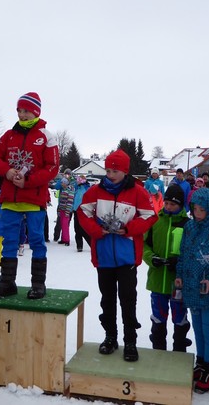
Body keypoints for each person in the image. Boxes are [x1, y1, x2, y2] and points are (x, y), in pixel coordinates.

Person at [78, 149, 158, 362]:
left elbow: (150, 216)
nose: (110, 174)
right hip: (103, 255)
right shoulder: (96, 190)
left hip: (127, 257)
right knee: (107, 299)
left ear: (125, 172)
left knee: (128, 300)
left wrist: (129, 228)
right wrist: (96, 230)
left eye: (114, 171)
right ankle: (110, 337)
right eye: (108, 170)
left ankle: (130, 341)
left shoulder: (138, 192)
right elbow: (83, 212)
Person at [0, 92, 59, 300]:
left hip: (34, 199)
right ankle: (7, 283)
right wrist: (7, 172)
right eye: (19, 110)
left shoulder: (46, 136)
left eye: (26, 110)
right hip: (10, 199)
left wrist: (28, 181)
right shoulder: (9, 135)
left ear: (36, 111)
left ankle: (38, 284)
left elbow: (52, 168)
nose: (22, 114)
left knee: (36, 240)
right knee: (8, 240)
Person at [175, 187, 209, 393]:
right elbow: (184, 254)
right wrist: (180, 275)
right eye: (194, 208)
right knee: (197, 327)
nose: (197, 213)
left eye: (201, 210)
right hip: (191, 286)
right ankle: (200, 361)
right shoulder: (189, 227)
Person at [143, 184, 191, 352]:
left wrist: (179, 262)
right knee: (158, 317)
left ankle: (179, 351)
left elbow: (191, 252)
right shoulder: (155, 221)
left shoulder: (187, 225)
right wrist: (151, 258)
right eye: (167, 203)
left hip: (177, 282)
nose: (169, 207)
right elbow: (143, 246)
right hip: (157, 281)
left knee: (179, 318)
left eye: (174, 204)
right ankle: (158, 351)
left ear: (181, 205)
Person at [72, 174, 92, 252]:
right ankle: (79, 246)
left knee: (83, 229)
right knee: (76, 229)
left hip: (83, 211)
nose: (77, 181)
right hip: (76, 210)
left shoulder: (86, 188)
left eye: (78, 180)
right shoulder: (77, 188)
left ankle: (92, 243)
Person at [56, 177, 75, 246]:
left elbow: (70, 201)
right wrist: (59, 209)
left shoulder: (70, 190)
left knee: (65, 225)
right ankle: (63, 239)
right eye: (61, 182)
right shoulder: (63, 190)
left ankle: (67, 240)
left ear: (66, 183)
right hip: (62, 209)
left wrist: (68, 211)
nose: (61, 184)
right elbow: (61, 201)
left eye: (62, 182)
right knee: (62, 224)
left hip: (66, 210)